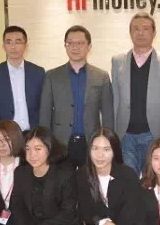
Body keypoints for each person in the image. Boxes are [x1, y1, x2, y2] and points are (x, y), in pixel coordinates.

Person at [39, 25, 114, 168]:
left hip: (91, 142)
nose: (75, 47)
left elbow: (108, 114)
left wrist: (108, 143)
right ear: (65, 46)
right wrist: (45, 143)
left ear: (89, 46)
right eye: (70, 43)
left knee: (90, 180)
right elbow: (45, 113)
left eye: (80, 43)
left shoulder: (101, 76)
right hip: (60, 143)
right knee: (62, 181)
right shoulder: (52, 76)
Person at [111, 12, 160, 175]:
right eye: (136, 28)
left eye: (146, 28)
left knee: (151, 180)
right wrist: (112, 132)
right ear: (130, 32)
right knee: (128, 180)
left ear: (154, 33)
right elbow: (115, 98)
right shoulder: (118, 61)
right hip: (125, 135)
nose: (140, 32)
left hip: (154, 133)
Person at [0, 26, 45, 136]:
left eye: (18, 42)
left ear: (26, 46)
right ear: (3, 46)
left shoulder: (38, 73)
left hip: (33, 134)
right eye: (9, 42)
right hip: (6, 135)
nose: (13, 46)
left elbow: (44, 107)